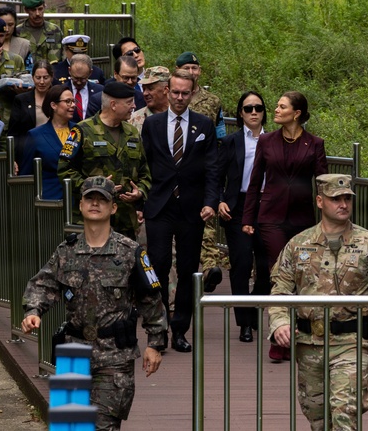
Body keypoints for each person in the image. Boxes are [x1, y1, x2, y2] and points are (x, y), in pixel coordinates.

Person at [21, 175, 166, 430]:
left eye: (102, 199)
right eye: (90, 198)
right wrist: (33, 311)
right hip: (74, 353)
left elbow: (150, 299)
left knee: (102, 426)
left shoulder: (130, 252)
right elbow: (42, 285)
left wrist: (155, 342)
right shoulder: (66, 252)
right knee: (69, 427)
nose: (95, 203)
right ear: (80, 205)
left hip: (114, 356)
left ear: (114, 207)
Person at [270, 174, 368, 431]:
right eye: (335, 199)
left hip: (352, 343)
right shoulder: (298, 245)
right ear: (320, 201)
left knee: (344, 413)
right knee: (318, 419)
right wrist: (279, 322)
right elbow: (281, 290)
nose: (343, 204)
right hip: (309, 345)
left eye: (347, 199)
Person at [140, 70, 222, 353]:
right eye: (174, 92)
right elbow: (145, 166)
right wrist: (141, 201)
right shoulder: (152, 124)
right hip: (159, 206)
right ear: (166, 90)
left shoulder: (203, 125)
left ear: (192, 92)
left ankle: (180, 330)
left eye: (185, 93)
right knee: (159, 265)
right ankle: (158, 329)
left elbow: (213, 168)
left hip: (191, 208)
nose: (179, 98)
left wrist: (211, 202)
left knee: (188, 269)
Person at [242, 90, 328, 361]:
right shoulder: (266, 141)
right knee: (279, 273)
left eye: (281, 107)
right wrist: (248, 218)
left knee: (303, 276)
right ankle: (279, 338)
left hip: (303, 219)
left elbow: (323, 182)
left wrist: (328, 217)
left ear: (297, 113)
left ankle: (300, 334)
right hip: (272, 217)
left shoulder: (314, 143)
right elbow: (255, 182)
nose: (275, 110)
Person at [58, 81, 150, 240]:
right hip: (92, 219)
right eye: (129, 102)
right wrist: (93, 186)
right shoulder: (82, 131)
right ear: (113, 104)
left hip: (125, 222)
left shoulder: (132, 133)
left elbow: (145, 173)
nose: (134, 106)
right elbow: (64, 170)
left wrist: (140, 192)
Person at [215, 91, 271, 343]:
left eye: (258, 108)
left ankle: (254, 309)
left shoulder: (275, 140)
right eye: (248, 108)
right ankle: (245, 323)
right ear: (240, 113)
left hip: (268, 207)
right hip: (239, 205)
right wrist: (219, 200)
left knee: (267, 267)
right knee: (240, 265)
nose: (253, 112)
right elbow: (215, 176)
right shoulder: (231, 142)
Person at [18, 83, 77, 200]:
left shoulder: (79, 131)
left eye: (74, 101)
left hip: (77, 200)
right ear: (54, 105)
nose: (73, 105)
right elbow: (26, 175)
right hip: (49, 200)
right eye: (68, 101)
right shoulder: (35, 135)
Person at [0, 17, 27, 128]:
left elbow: (25, 90)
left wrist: (20, 91)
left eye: (1, 36)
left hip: (8, 120)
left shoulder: (15, 60)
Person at [175, 51, 224, 138]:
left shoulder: (213, 100)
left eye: (194, 68)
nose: (191, 72)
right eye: (186, 68)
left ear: (199, 70)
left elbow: (220, 134)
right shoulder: (169, 97)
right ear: (177, 70)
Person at [14, 0, 63, 64]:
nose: (37, 14)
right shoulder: (17, 32)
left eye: (40, 9)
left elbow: (62, 57)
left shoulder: (55, 30)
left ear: (44, 8)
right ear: (26, 10)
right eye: (33, 10)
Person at [129, 65, 170, 131]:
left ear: (165, 89)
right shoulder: (134, 120)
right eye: (144, 89)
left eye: (150, 89)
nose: (145, 93)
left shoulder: (179, 115)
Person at [65, 53, 104, 120]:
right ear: (69, 70)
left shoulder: (100, 91)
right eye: (76, 78)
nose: (79, 82)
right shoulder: (61, 91)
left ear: (90, 73)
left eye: (83, 79)